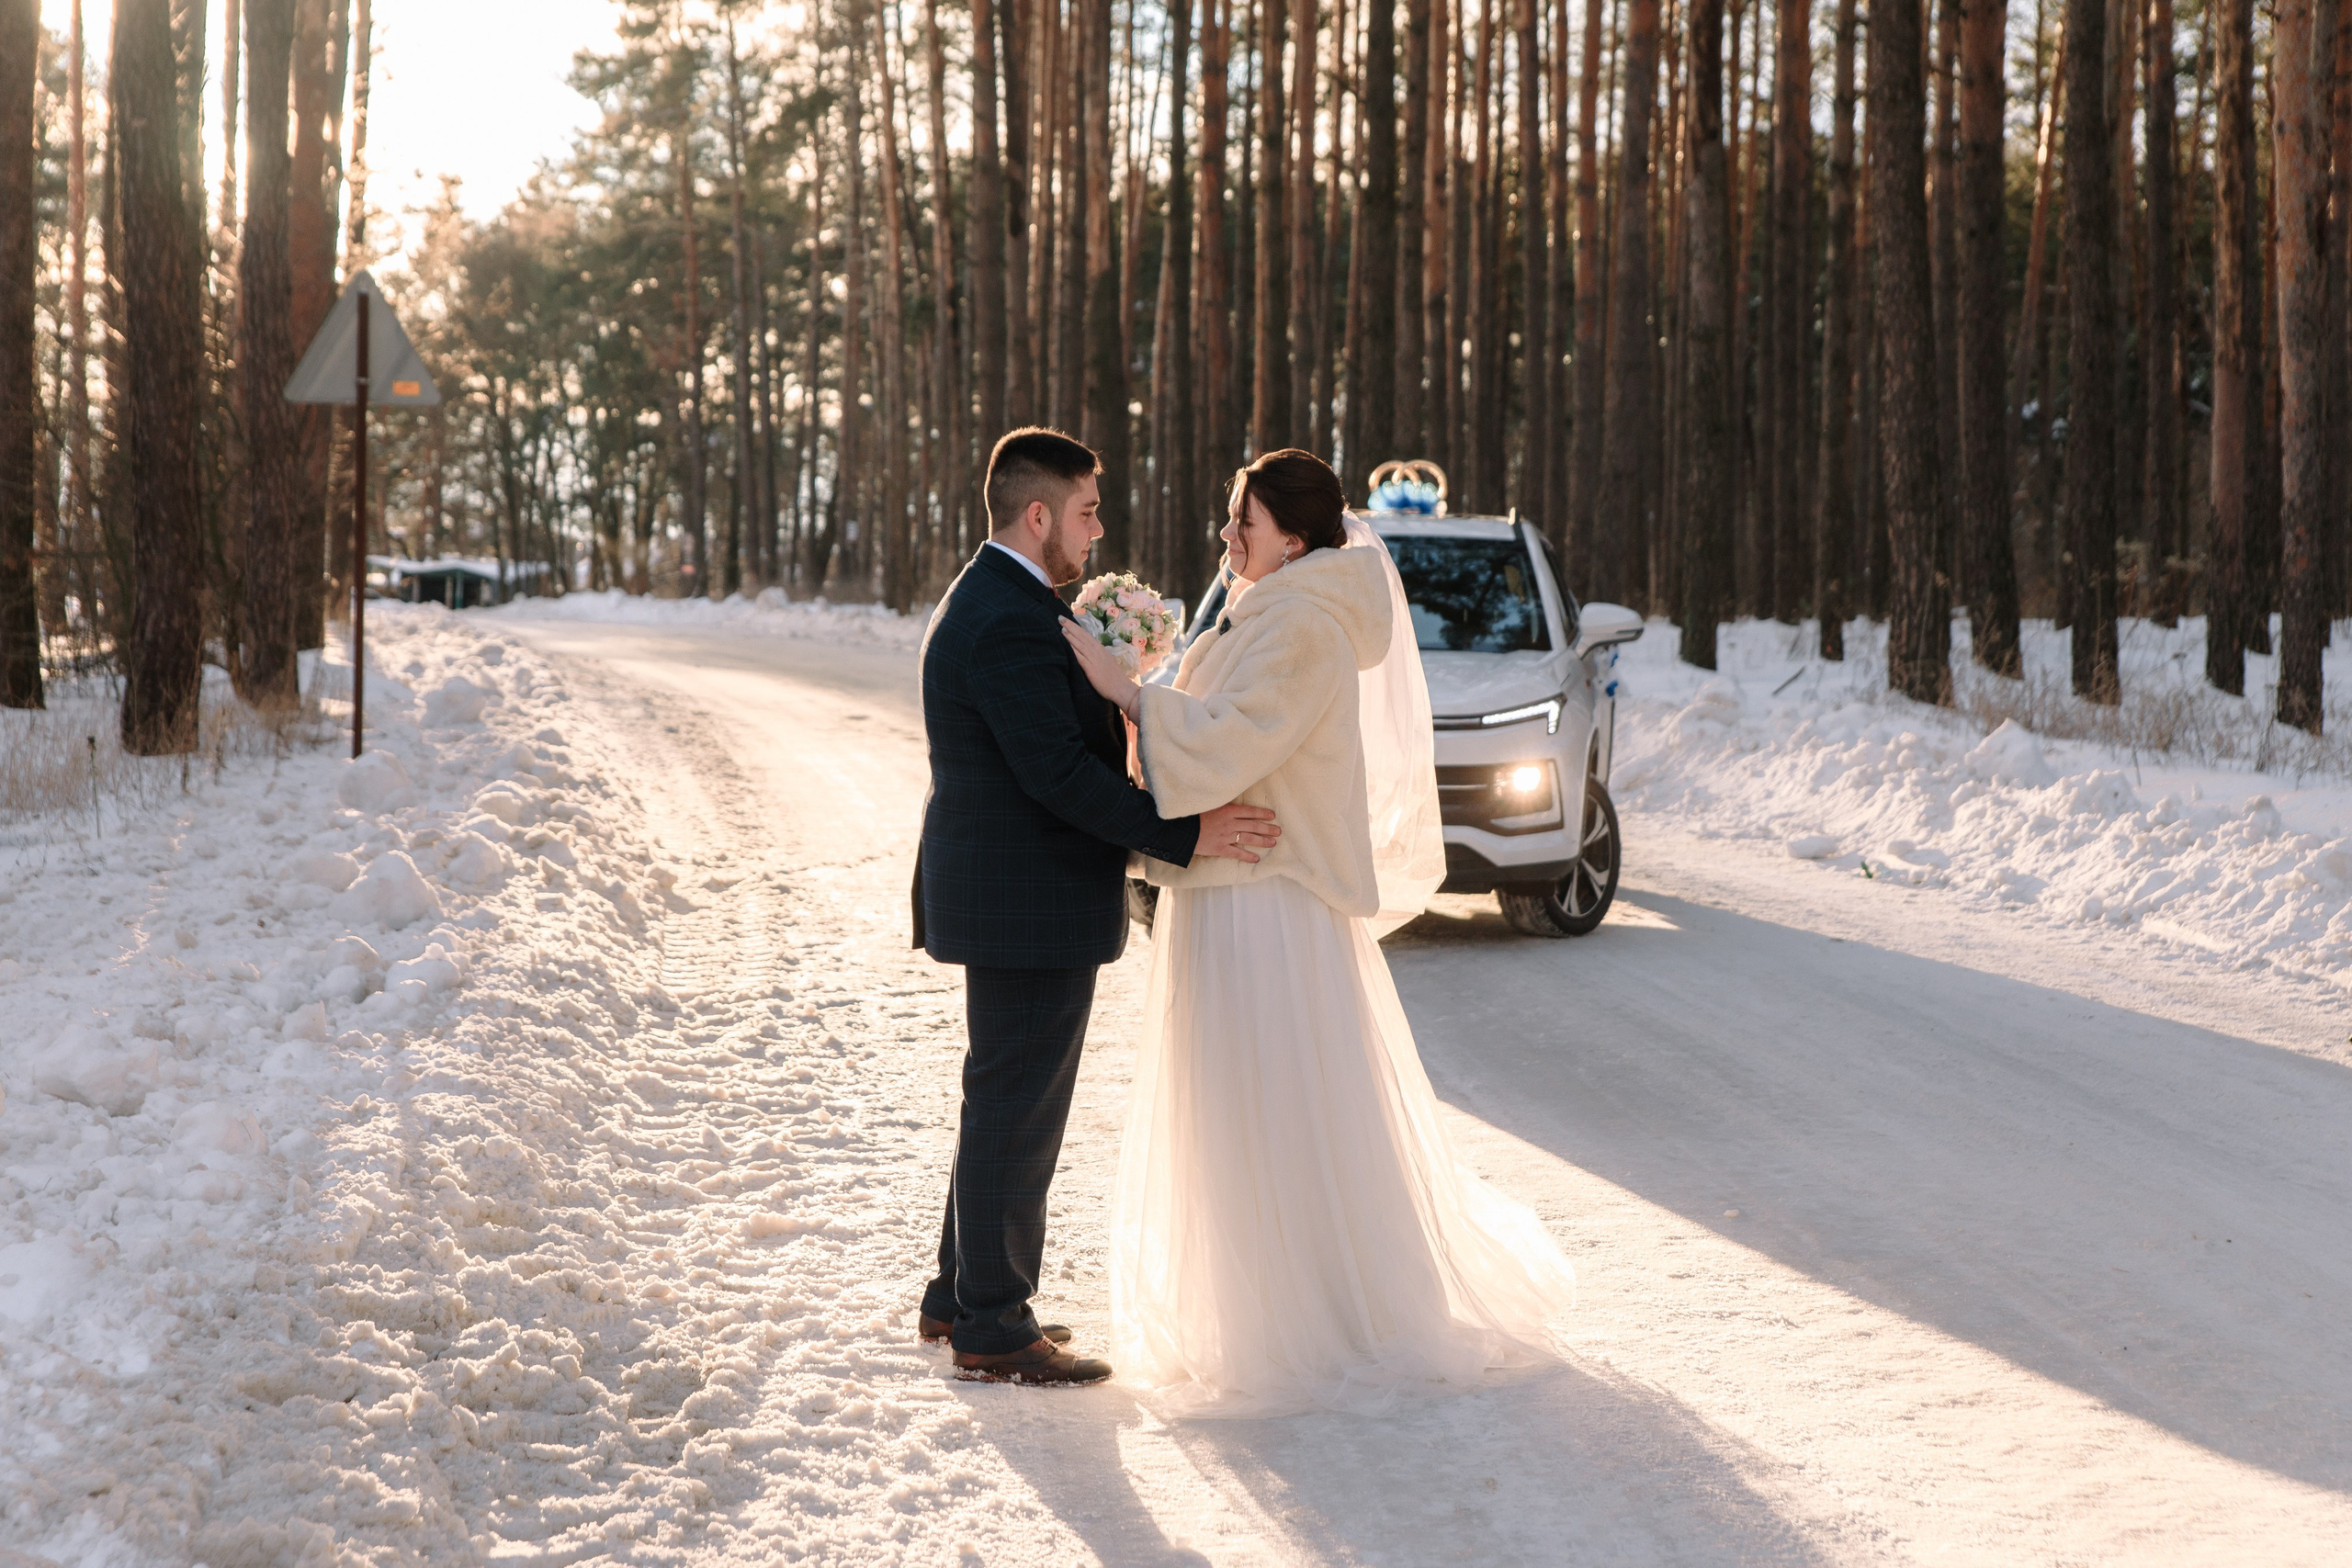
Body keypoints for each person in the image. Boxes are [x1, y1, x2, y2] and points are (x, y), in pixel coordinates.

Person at [1059, 447, 1577, 1415]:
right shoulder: (1271, 610)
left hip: (1267, 901)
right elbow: (1209, 724)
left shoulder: (1299, 622)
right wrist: (1145, 686)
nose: (1225, 538)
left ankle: (1301, 1316)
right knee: (1244, 1101)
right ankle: (1261, 1297)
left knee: (1267, 1103)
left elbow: (1231, 740)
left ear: (1292, 539)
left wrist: (1126, 691)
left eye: (1241, 524)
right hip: (1235, 888)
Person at [913, 426, 1281, 1386]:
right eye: (1085, 511)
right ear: (1037, 516)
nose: (1098, 528)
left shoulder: (1010, 600)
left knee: (1002, 1097)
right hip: (1023, 899)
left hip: (1019, 895)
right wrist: (1186, 834)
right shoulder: (1004, 616)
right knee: (1016, 1107)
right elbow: (1056, 777)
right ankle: (993, 1324)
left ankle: (962, 1295)